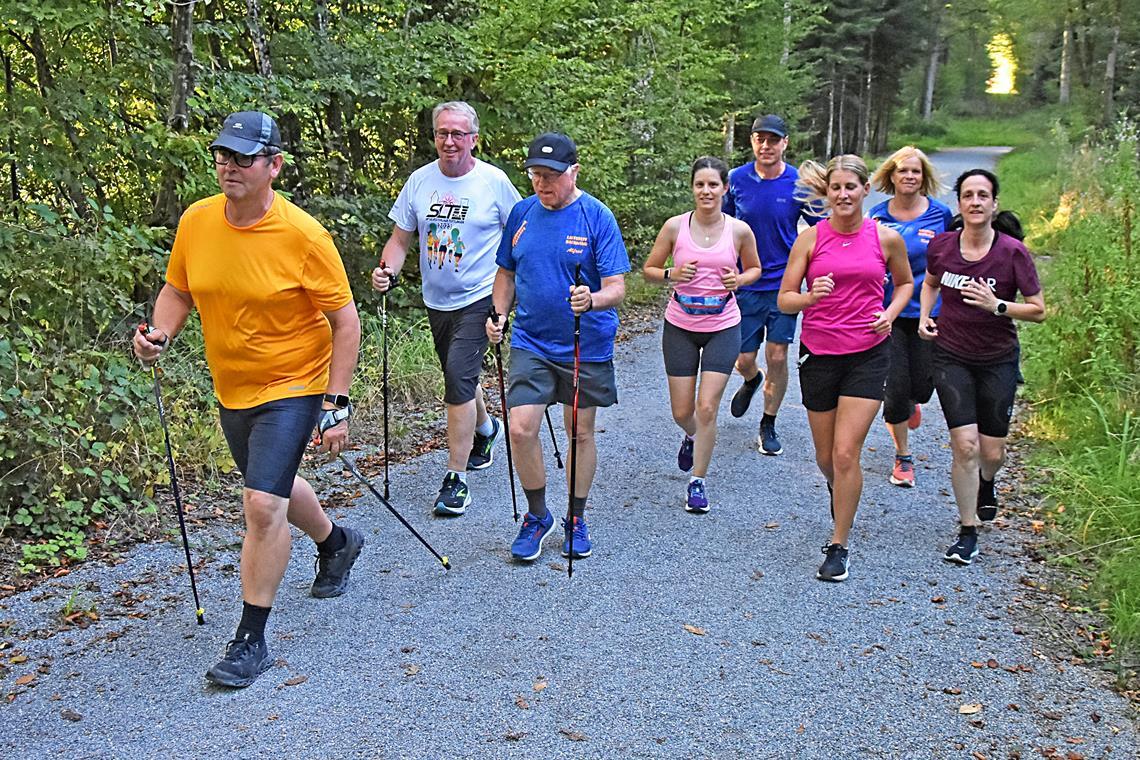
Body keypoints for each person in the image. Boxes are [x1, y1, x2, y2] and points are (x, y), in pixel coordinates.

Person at [133, 111, 363, 687]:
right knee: (273, 488)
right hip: (231, 385)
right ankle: (337, 542)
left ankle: (250, 639)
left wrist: (336, 401)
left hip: (295, 382)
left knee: (261, 505)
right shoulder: (198, 220)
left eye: (243, 158)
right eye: (222, 155)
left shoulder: (304, 236)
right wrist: (159, 335)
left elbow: (346, 321)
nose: (229, 166)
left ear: (274, 166)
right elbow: (178, 289)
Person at [372, 101, 522, 517]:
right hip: (437, 299)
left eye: (458, 134)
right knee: (460, 375)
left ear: (474, 138)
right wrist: (387, 271)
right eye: (442, 133)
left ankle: (456, 479)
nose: (449, 141)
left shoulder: (493, 183)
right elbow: (400, 240)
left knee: (457, 377)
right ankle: (487, 429)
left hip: (481, 295)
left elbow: (520, 235)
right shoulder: (420, 182)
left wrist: (514, 292)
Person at [486, 132, 630, 561]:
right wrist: (498, 315)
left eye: (551, 175)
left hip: (585, 343)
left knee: (579, 432)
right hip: (531, 340)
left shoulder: (596, 217)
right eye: (535, 174)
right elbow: (506, 274)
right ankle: (537, 516)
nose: (541, 183)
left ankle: (576, 516)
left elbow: (617, 287)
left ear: (574, 172)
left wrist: (593, 299)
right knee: (519, 427)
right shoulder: (522, 214)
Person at [777, 155, 913, 582]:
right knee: (825, 457)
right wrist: (810, 297)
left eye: (850, 187)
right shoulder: (811, 240)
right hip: (819, 352)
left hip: (868, 354)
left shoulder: (886, 239)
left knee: (844, 452)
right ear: (827, 192)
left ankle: (839, 545)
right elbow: (785, 299)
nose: (843, 195)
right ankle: (841, 488)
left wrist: (891, 312)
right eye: (835, 188)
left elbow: (905, 282)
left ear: (864, 190)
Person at [919, 168, 1045, 566]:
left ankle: (987, 482)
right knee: (966, 445)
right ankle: (967, 529)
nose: (975, 202)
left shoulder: (1012, 252)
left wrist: (998, 306)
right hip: (951, 354)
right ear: (959, 204)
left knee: (991, 451)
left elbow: (1039, 310)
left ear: (994, 204)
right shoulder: (942, 246)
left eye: (982, 196)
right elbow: (930, 282)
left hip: (997, 359)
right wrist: (925, 316)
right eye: (968, 195)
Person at [642, 157, 760, 512]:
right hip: (680, 324)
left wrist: (738, 280)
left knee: (706, 407)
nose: (706, 191)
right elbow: (648, 269)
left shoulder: (739, 231)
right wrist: (671, 274)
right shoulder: (675, 227)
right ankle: (691, 434)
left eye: (713, 184)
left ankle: (697, 481)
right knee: (683, 411)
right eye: (700, 184)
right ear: (692, 188)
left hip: (723, 325)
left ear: (725, 188)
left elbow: (755, 268)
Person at [723, 114, 818, 456]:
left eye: (773, 140)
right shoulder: (736, 179)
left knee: (777, 355)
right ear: (751, 142)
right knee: (743, 358)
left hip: (782, 284)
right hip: (745, 283)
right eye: (760, 139)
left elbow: (821, 228)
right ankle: (751, 379)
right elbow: (721, 226)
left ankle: (768, 423)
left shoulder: (798, 182)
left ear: (785, 143)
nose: (766, 145)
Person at [868, 146, 954, 488]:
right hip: (889, 312)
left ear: (924, 178)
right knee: (895, 387)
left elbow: (955, 258)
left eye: (915, 172)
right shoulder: (876, 215)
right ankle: (903, 457)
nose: (909, 176)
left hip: (929, 312)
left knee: (921, 384)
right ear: (891, 176)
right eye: (902, 171)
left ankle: (912, 402)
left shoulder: (941, 215)